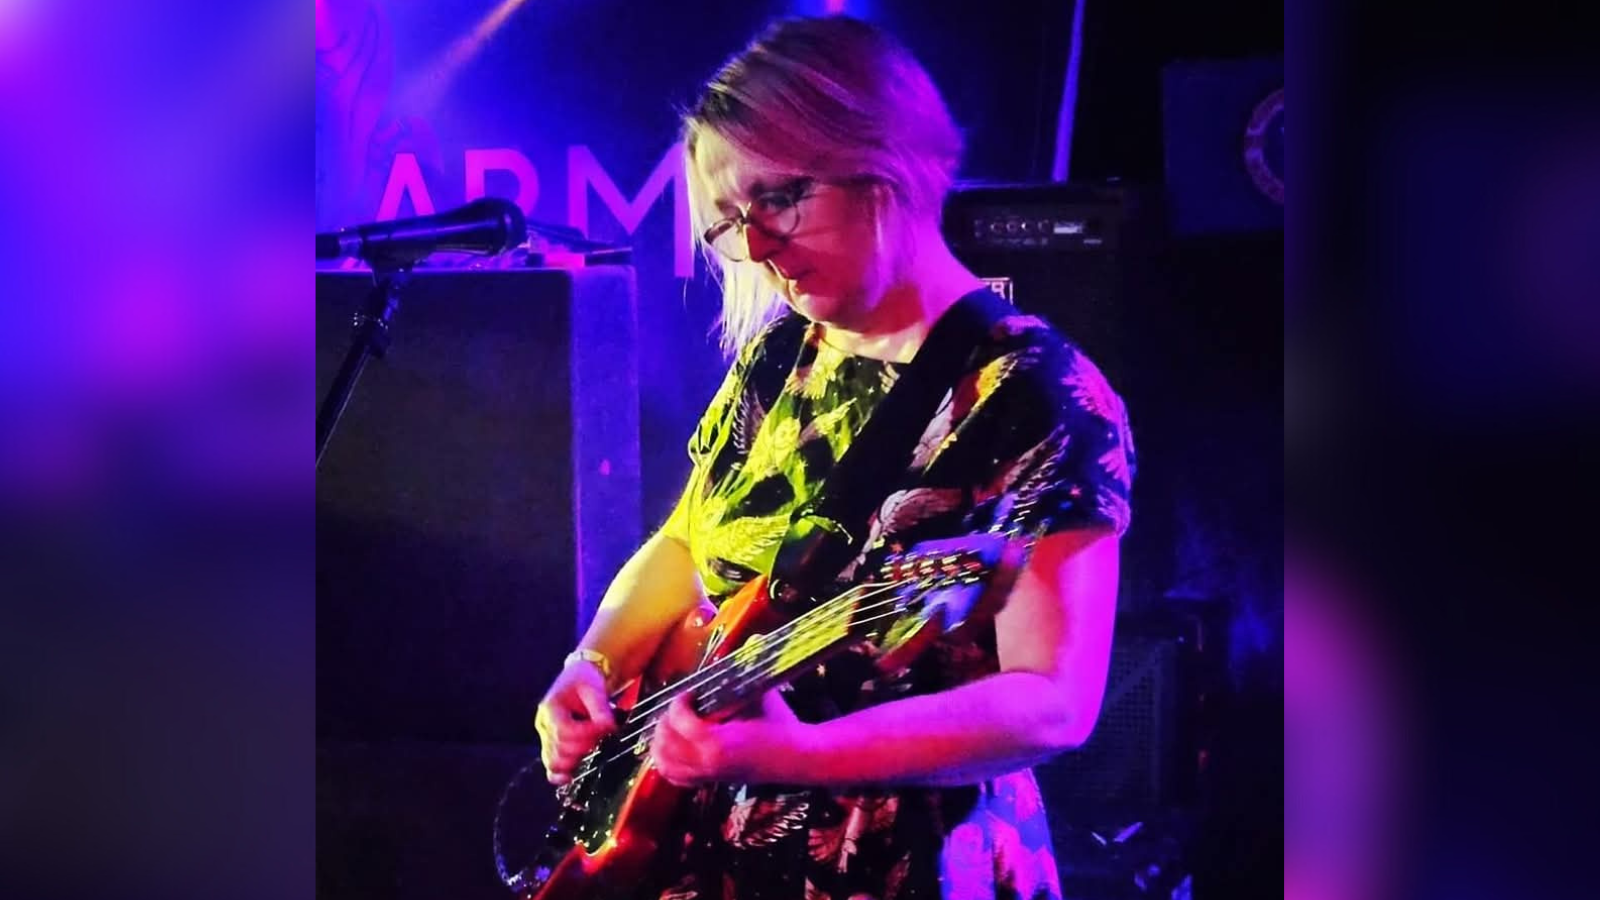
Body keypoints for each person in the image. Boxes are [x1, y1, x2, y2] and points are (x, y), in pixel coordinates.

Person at [535, 14, 1134, 900]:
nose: (759, 249)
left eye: (779, 197)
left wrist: (804, 753)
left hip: (900, 862)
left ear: (886, 162)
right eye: (730, 222)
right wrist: (593, 662)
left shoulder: (1038, 394)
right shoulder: (782, 356)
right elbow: (684, 542)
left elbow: (1052, 700)